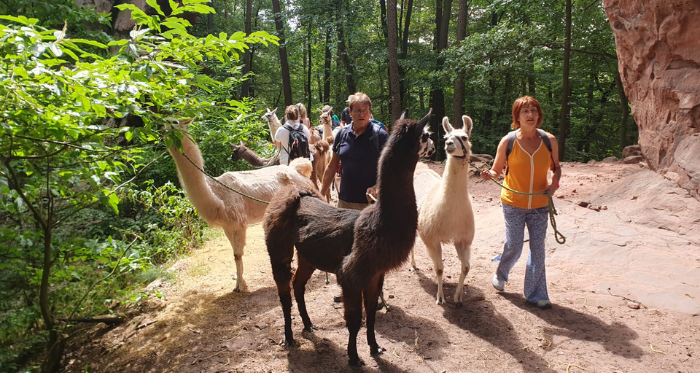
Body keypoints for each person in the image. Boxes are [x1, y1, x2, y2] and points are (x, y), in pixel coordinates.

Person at [480, 95, 561, 310]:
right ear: (517, 116)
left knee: (537, 249)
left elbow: (557, 167)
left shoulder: (549, 140)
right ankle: (501, 273)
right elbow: (497, 170)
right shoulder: (508, 141)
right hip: (513, 203)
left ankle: (536, 294)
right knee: (514, 244)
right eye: (525, 111)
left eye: (534, 110)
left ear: (539, 115)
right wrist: (491, 174)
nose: (530, 114)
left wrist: (554, 184)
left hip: (540, 205)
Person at [320, 92, 388, 210]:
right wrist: (320, 195)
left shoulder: (380, 136)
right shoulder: (342, 134)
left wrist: (376, 187)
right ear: (350, 112)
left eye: (365, 110)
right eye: (357, 110)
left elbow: (390, 170)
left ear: (369, 112)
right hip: (344, 203)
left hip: (371, 205)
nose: (361, 114)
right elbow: (331, 167)